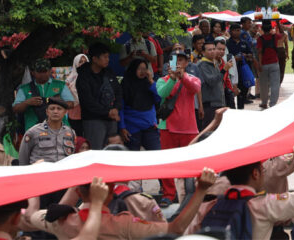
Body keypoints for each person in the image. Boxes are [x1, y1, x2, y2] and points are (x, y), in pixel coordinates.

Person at [29, 168, 217, 239]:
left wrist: (32, 182)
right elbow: (176, 228)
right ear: (110, 193)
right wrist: (200, 190)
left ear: (78, 191)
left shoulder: (60, 220)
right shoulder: (123, 224)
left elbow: (31, 216)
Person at [198, 145, 294, 239]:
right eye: (262, 170)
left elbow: (180, 228)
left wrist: (201, 189)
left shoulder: (209, 206)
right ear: (255, 174)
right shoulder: (266, 204)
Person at [157, 49, 202, 205]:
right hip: (167, 127)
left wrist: (182, 77)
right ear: (170, 63)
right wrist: (173, 79)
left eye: (182, 60)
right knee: (167, 163)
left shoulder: (193, 79)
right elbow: (163, 93)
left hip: (188, 128)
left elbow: (194, 89)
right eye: (176, 60)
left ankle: (191, 193)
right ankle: (168, 194)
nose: (179, 63)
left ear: (187, 63)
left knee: (190, 163)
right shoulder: (162, 80)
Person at [75, 43, 122, 150]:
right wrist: (107, 112)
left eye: (108, 57)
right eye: (105, 57)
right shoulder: (83, 76)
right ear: (95, 59)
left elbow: (118, 91)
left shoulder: (109, 72)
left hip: (111, 119)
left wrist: (116, 108)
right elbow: (87, 101)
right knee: (96, 151)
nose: (108, 60)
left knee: (113, 151)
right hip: (93, 120)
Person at [13, 58, 75, 132]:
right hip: (34, 130)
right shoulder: (24, 88)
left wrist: (57, 101)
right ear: (32, 72)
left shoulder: (60, 85)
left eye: (45, 71)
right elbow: (15, 109)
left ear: (50, 71)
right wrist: (27, 102)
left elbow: (71, 104)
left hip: (60, 129)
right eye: (39, 72)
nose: (42, 74)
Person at [119, 59, 161, 151]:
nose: (143, 71)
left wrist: (151, 80)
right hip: (132, 128)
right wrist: (122, 127)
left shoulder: (149, 83)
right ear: (133, 69)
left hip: (150, 126)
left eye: (145, 69)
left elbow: (159, 98)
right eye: (139, 69)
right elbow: (120, 107)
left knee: (156, 155)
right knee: (133, 159)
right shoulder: (126, 84)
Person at [19, 97, 75, 165]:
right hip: (41, 173)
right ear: (47, 112)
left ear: (65, 112)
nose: (55, 111)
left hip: (63, 172)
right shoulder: (33, 132)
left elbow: (72, 156)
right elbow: (23, 159)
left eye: (59, 109)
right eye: (52, 109)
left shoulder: (70, 132)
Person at [227, 23, 259, 108]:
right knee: (231, 94)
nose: (237, 32)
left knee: (242, 92)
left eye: (238, 30)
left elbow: (251, 54)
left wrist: (246, 56)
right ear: (230, 31)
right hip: (232, 72)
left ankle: (241, 108)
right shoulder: (228, 43)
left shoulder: (244, 42)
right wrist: (235, 58)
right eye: (235, 30)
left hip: (243, 71)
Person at [196, 39, 225, 128]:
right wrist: (224, 70)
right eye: (209, 50)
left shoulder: (214, 63)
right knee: (209, 131)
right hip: (210, 105)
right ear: (203, 52)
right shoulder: (202, 65)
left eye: (213, 49)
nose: (212, 51)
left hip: (218, 103)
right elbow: (211, 81)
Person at [256, 21, 285, 109]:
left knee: (263, 85)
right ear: (271, 29)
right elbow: (283, 34)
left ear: (262, 29)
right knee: (275, 85)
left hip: (264, 64)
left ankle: (264, 102)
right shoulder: (275, 37)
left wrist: (260, 64)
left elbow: (260, 52)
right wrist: (278, 23)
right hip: (274, 63)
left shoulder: (260, 39)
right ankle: (273, 104)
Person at [64, 54, 88, 135]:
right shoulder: (69, 81)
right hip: (75, 115)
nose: (83, 64)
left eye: (85, 61)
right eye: (80, 62)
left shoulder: (93, 79)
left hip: (90, 114)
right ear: (75, 64)